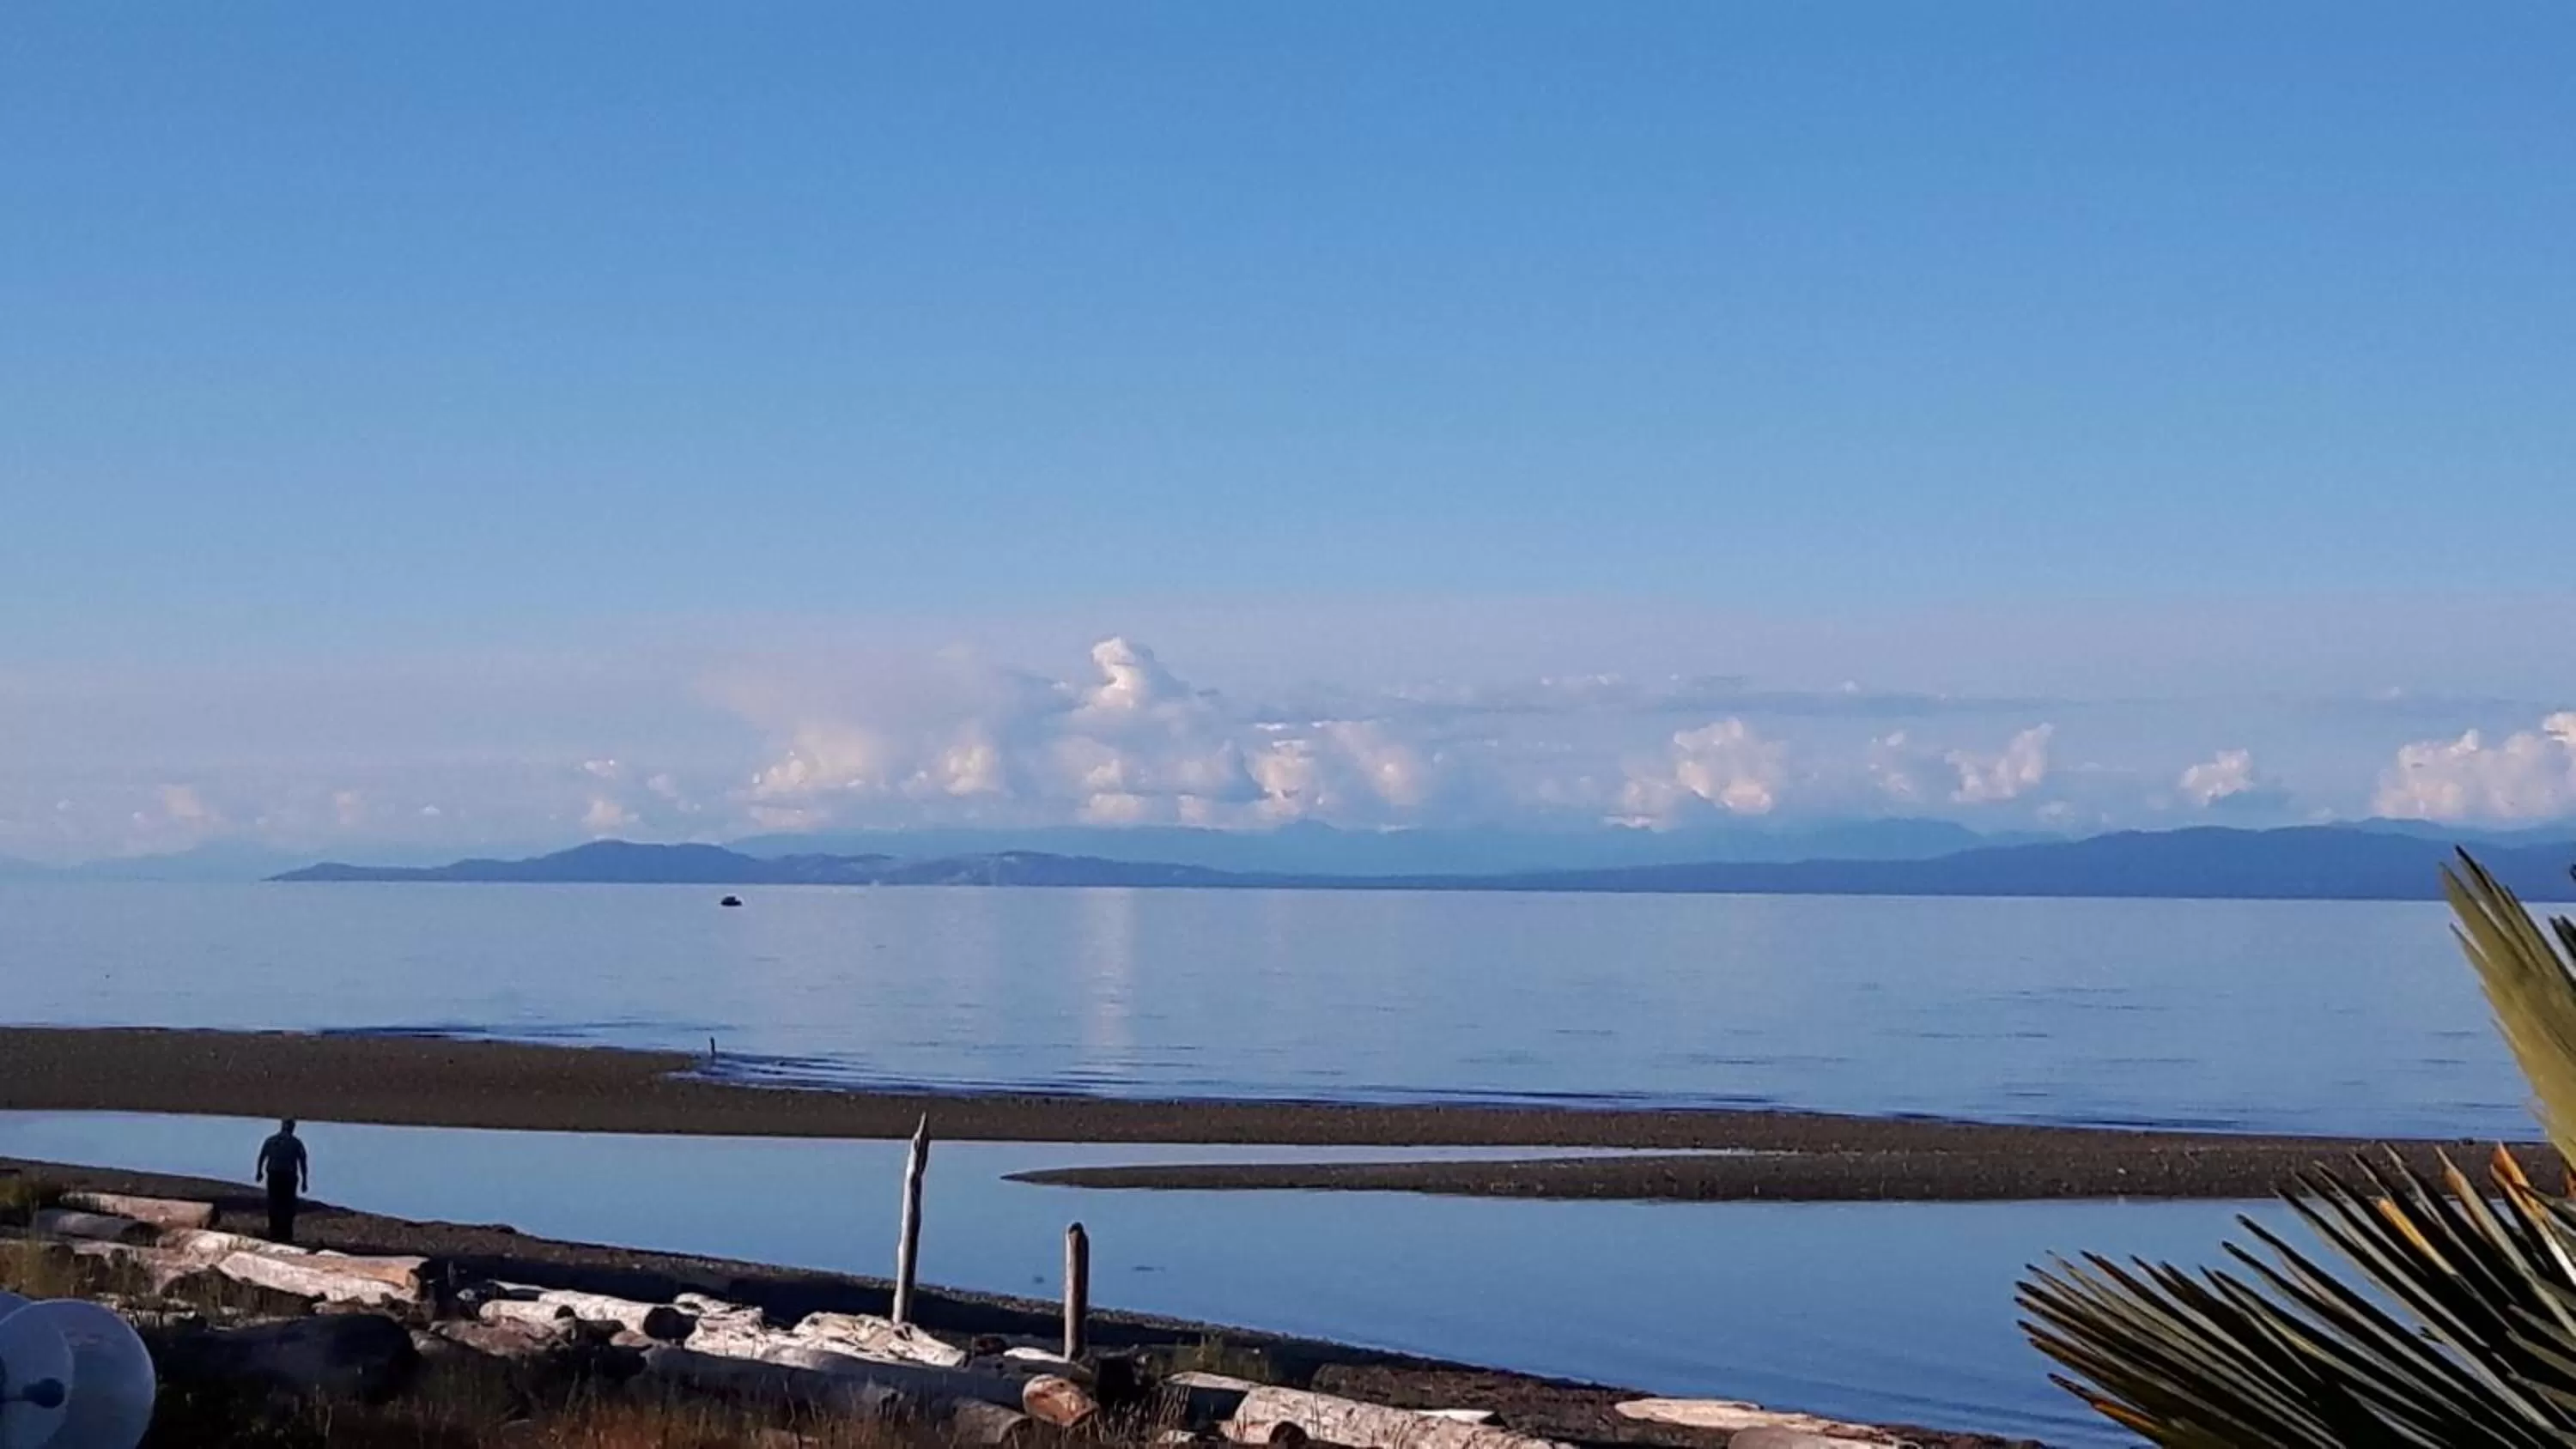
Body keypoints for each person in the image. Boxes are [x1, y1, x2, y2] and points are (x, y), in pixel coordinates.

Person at [254, 1119, 309, 1244]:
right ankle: (284, 1232)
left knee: (274, 1202)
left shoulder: (271, 1140)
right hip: (288, 1176)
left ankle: (275, 1230)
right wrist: (304, 1181)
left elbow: (262, 1157)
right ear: (292, 1128)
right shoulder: (296, 1143)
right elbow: (303, 1162)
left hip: (275, 1175)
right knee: (287, 1204)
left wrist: (259, 1172)